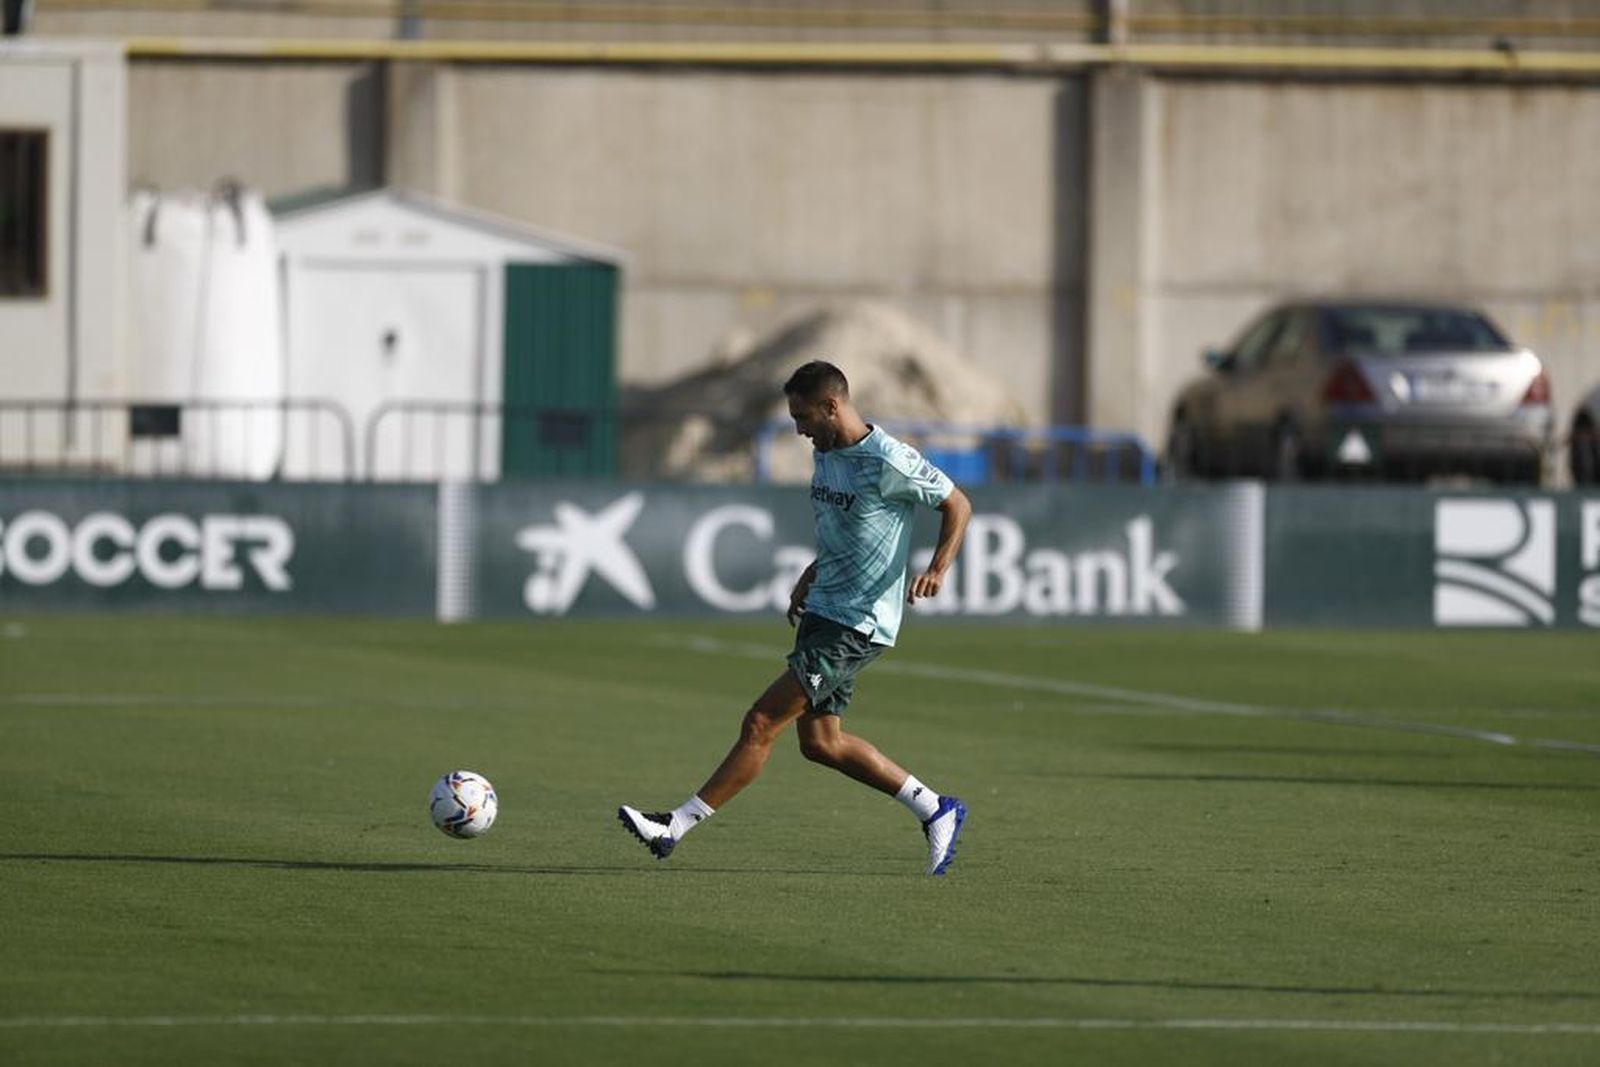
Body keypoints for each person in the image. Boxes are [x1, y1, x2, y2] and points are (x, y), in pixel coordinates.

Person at [619, 360, 974, 875]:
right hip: (823, 609)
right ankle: (935, 807)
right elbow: (845, 527)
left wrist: (938, 568)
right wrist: (812, 574)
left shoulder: (888, 459)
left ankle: (674, 826)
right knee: (822, 744)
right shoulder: (825, 454)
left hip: (857, 621)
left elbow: (957, 504)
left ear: (833, 406)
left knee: (761, 721)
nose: (799, 428)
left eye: (804, 416)